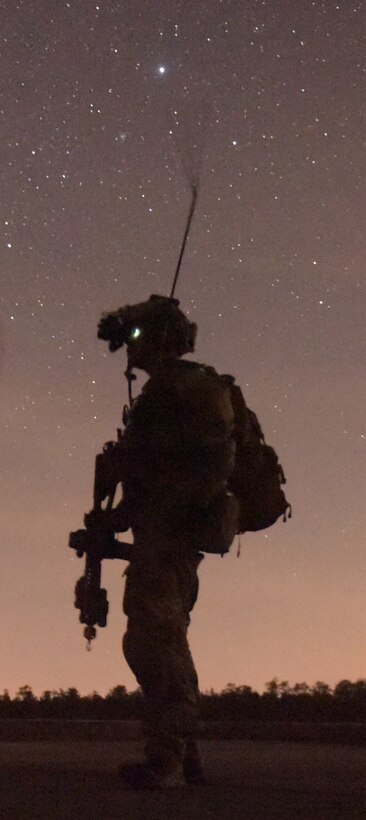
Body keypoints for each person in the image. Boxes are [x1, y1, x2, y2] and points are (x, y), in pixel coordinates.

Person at [97, 294, 239, 789]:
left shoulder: (184, 391)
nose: (131, 351)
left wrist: (164, 514)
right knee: (163, 640)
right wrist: (120, 519)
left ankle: (168, 763)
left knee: (152, 644)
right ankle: (184, 754)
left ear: (158, 338)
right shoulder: (168, 395)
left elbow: (202, 468)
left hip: (170, 541)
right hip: (164, 538)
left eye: (137, 338)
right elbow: (147, 477)